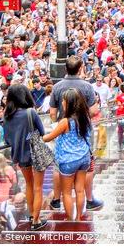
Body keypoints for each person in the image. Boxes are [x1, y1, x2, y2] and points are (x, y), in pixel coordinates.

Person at [49, 55, 103, 212]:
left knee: (58, 165)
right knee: (87, 166)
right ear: (80, 68)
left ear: (65, 68)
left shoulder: (57, 86)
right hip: (82, 129)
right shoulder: (86, 86)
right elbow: (94, 110)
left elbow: (52, 113)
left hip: (62, 130)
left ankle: (56, 200)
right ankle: (90, 200)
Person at [43, 88, 92, 221]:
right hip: (84, 157)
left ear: (68, 103)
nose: (62, 103)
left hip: (68, 161)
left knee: (66, 192)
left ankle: (70, 219)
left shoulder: (65, 121)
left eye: (63, 101)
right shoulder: (85, 118)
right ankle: (79, 218)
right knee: (80, 190)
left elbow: (48, 138)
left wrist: (37, 136)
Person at [2, 84, 46, 230]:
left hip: (20, 156)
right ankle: (36, 221)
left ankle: (32, 214)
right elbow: (42, 131)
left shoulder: (6, 116)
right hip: (35, 153)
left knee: (29, 184)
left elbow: (7, 139)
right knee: (38, 187)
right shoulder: (30, 112)